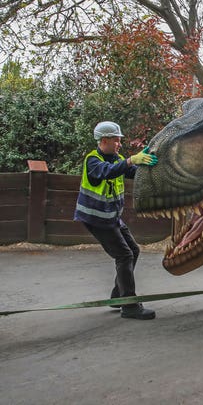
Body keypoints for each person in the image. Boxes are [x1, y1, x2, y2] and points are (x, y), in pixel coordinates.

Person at [74, 121, 158, 320]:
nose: (119, 143)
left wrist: (146, 163)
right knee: (124, 255)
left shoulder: (117, 159)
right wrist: (130, 160)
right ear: (104, 140)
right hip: (96, 218)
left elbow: (133, 173)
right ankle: (129, 305)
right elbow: (107, 172)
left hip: (110, 217)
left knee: (133, 250)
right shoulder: (93, 160)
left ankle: (118, 295)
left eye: (120, 140)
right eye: (116, 140)